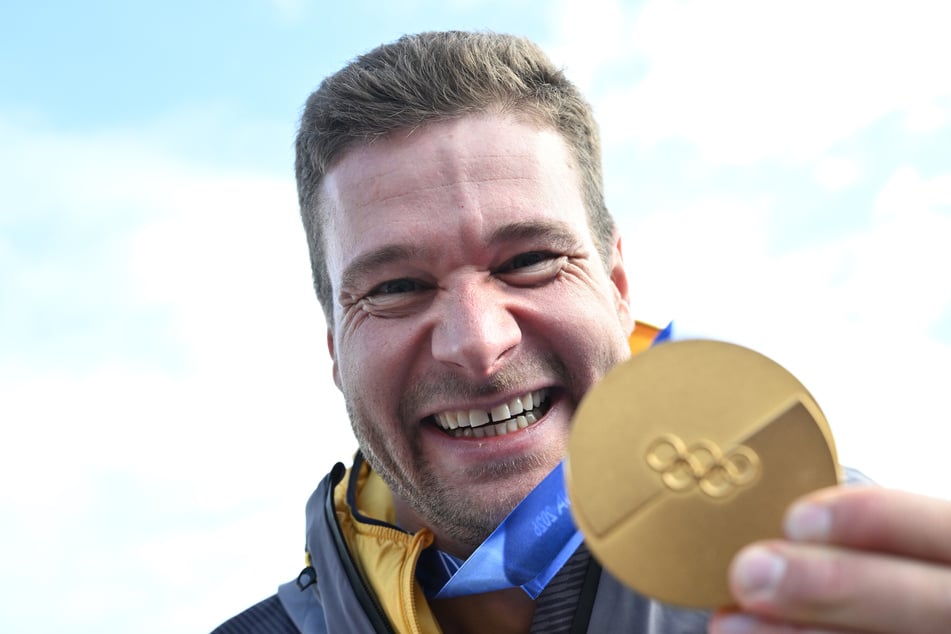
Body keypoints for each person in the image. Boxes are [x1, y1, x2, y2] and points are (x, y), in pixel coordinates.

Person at [213, 31, 951, 633]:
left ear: (619, 288)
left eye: (529, 261)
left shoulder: (850, 582)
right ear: (334, 347)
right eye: (395, 288)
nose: (478, 342)